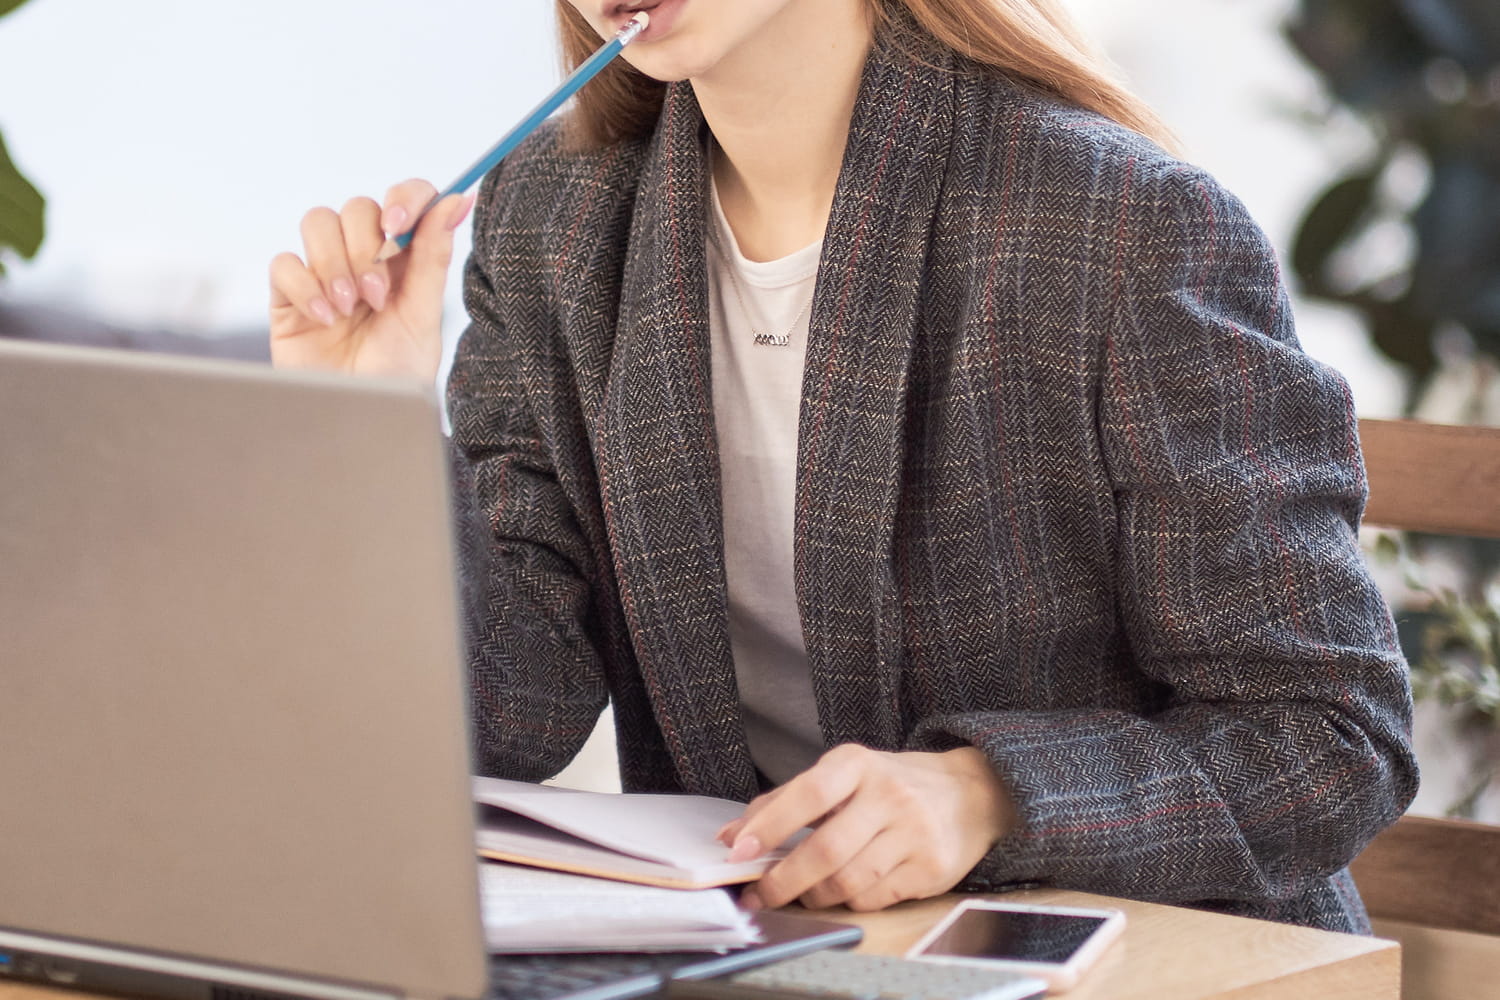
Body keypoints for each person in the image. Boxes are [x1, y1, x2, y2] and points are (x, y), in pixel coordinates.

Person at [269, 0, 1419, 933]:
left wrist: (986, 794)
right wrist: (364, 430)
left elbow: (1329, 735)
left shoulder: (1121, 223)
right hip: (792, 956)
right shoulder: (553, 226)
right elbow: (515, 710)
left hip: (1144, 954)